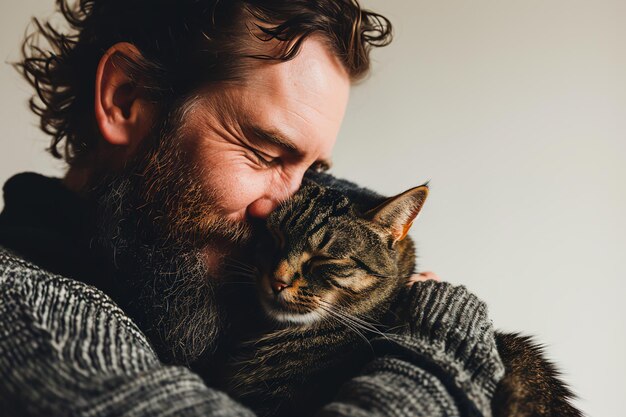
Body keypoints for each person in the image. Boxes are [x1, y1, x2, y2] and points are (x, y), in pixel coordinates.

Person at [0, 1, 505, 416]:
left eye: (310, 171)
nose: (279, 210)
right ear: (126, 97)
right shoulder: (27, 313)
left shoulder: (187, 273)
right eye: (265, 153)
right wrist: (443, 338)